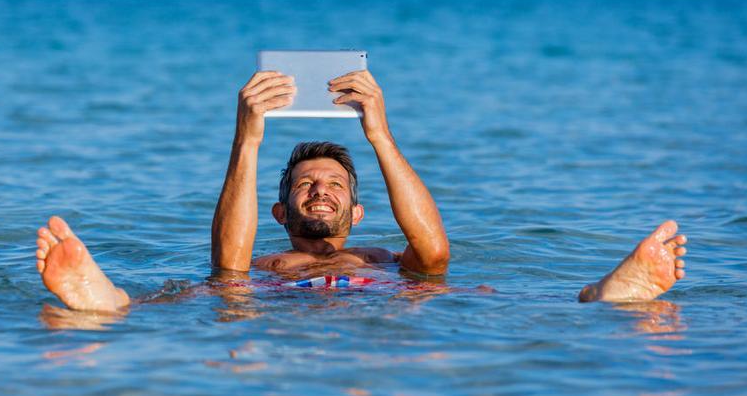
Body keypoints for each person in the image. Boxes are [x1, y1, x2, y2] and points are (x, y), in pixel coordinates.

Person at [34, 70, 688, 313]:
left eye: (335, 185)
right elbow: (228, 264)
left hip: (384, 302)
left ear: (358, 209)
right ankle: (108, 301)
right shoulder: (263, 263)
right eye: (306, 185)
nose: (321, 192)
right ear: (280, 209)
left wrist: (378, 132)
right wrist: (247, 138)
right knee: (215, 290)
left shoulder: (382, 257)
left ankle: (606, 295)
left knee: (452, 283)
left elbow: (432, 250)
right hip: (272, 302)